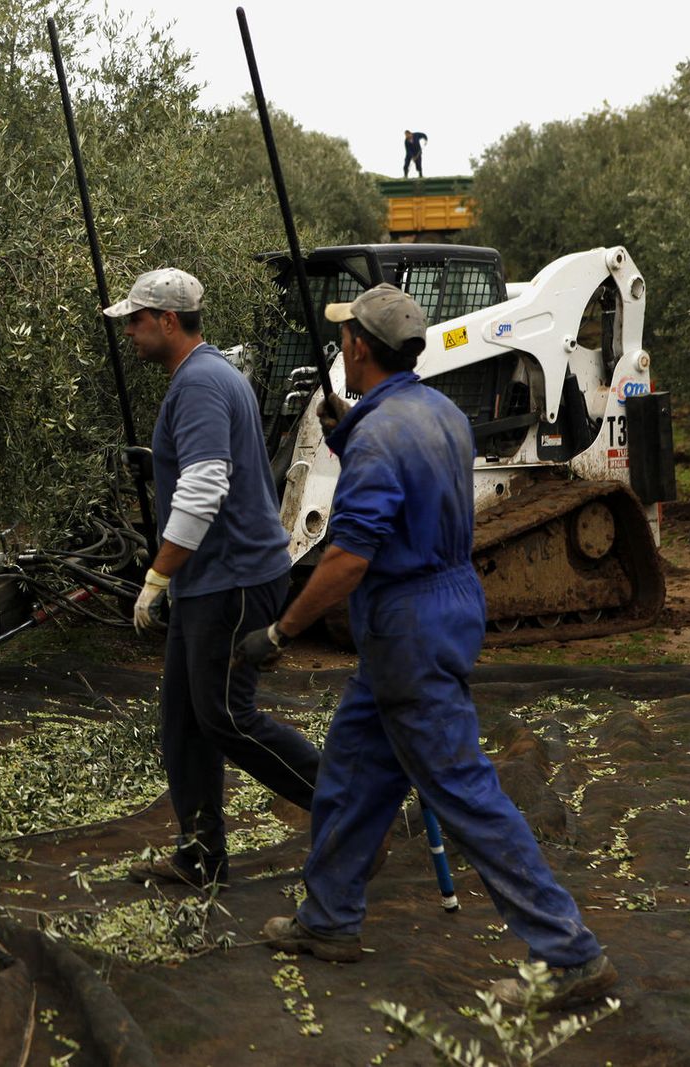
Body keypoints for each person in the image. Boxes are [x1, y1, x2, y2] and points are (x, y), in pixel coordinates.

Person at [235, 283, 617, 1010]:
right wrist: (352, 424)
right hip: (438, 603)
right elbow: (409, 476)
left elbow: (348, 556)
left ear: (356, 349)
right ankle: (329, 918)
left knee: (463, 789)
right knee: (350, 768)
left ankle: (571, 955)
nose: (341, 344)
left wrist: (282, 629)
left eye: (346, 337)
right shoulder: (437, 412)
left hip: (407, 622)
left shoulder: (381, 434)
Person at [103, 267, 321, 890]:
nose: (131, 334)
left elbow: (204, 488)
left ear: (167, 321)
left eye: (137, 322)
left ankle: (353, 809)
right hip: (216, 577)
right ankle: (201, 855)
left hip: (232, 578)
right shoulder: (213, 374)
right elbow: (205, 469)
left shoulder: (199, 383)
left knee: (226, 715)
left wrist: (156, 575)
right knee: (185, 719)